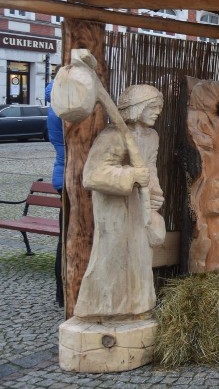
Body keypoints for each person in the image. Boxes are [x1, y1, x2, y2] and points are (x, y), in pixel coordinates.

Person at [75, 85, 165, 319]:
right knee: (111, 256)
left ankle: (138, 307)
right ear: (138, 108)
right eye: (153, 107)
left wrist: (155, 193)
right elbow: (92, 175)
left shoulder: (151, 137)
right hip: (113, 207)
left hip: (139, 206)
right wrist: (131, 175)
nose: (157, 112)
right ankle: (101, 309)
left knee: (140, 256)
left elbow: (150, 167)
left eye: (159, 108)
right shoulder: (113, 135)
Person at [45, 81, 65, 308]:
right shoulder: (64, 105)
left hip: (63, 176)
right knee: (68, 237)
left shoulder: (57, 102)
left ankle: (62, 290)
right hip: (68, 178)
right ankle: (63, 290)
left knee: (66, 236)